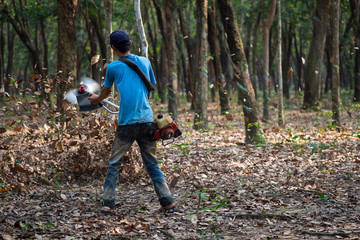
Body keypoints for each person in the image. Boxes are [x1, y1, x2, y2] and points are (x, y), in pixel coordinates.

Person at [89, 29, 176, 213]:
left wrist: (96, 99)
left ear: (113, 48)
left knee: (114, 163)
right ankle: (168, 202)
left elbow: (105, 94)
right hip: (147, 121)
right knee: (152, 163)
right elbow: (150, 85)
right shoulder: (145, 61)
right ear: (129, 44)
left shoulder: (113, 67)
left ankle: (107, 204)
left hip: (127, 124)